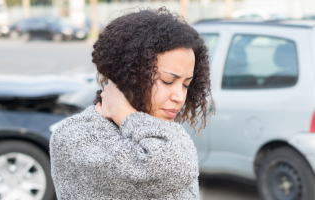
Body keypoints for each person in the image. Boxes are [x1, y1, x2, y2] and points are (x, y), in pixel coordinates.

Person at [50, 7, 213, 200]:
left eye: (186, 84)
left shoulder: (155, 131)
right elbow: (175, 164)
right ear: (129, 74)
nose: (179, 96)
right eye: (168, 81)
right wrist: (123, 112)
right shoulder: (75, 136)